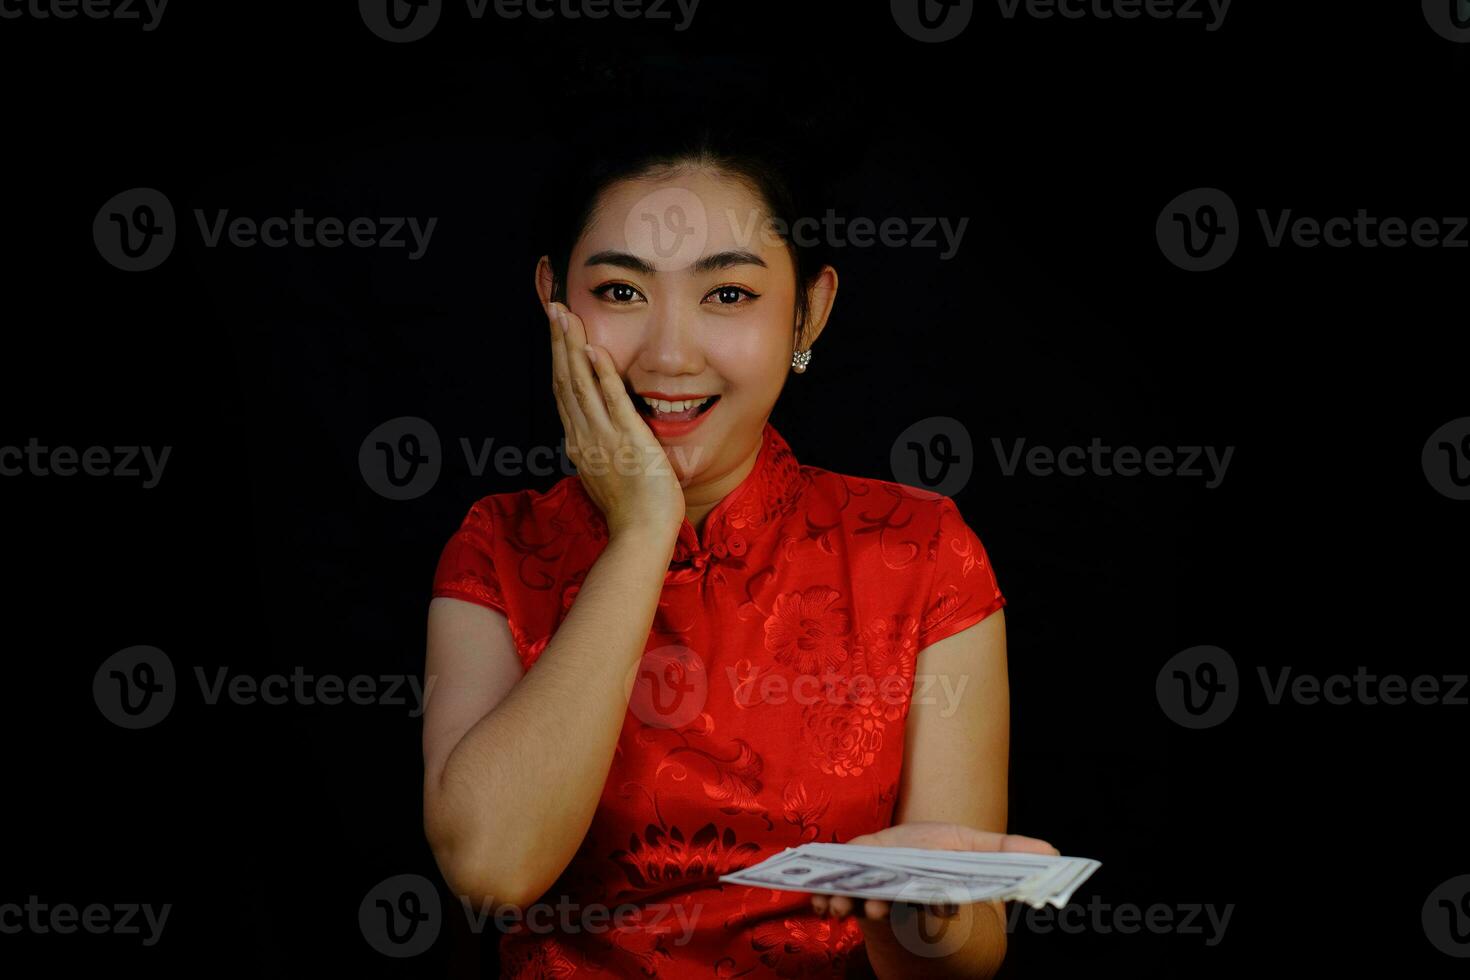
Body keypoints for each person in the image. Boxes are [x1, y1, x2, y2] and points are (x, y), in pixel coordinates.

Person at [421, 117, 1056, 978]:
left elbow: (963, 960)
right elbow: (492, 868)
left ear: (811, 312)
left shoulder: (921, 552)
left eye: (727, 295)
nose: (671, 353)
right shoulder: (499, 545)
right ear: (552, 301)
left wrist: (918, 913)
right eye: (619, 292)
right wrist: (644, 530)